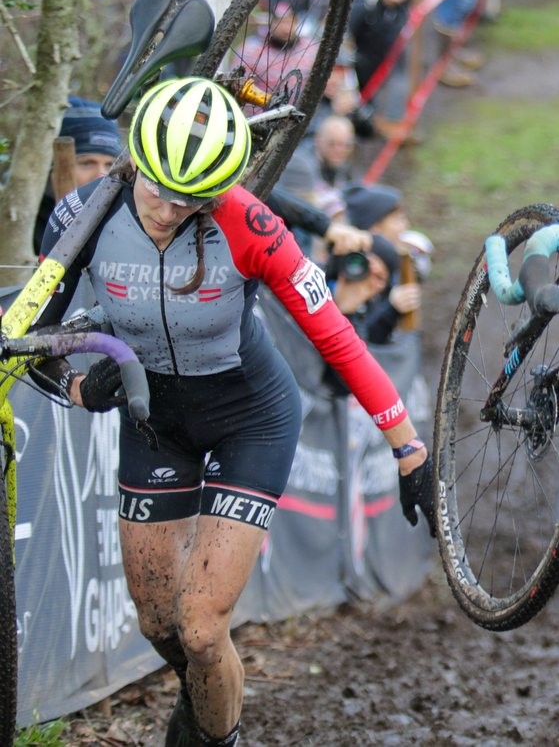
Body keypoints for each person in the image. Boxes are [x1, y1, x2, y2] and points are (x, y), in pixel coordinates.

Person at [30, 77, 435, 747]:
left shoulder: (251, 223)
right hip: (155, 422)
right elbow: (32, 335)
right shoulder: (82, 216)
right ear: (137, 164)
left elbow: (334, 334)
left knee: (200, 626)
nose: (166, 210)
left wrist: (408, 446)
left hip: (250, 415)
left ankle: (216, 737)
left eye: (190, 201)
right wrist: (78, 386)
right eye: (157, 190)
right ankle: (207, 707)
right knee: (157, 622)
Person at [30, 96, 124, 255]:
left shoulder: (128, 220)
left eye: (110, 165)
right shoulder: (18, 226)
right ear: (49, 168)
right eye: (87, 163)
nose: (102, 176)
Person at [349, 0, 417, 142]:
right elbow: (346, 37)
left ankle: (387, 125)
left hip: (381, 62)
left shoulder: (404, 9)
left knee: (399, 80)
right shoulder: (364, 4)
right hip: (355, 65)